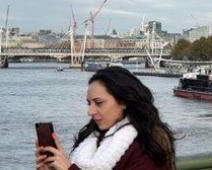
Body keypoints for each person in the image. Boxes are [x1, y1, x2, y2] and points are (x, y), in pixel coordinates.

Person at [35, 66, 175, 170]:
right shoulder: (91, 138)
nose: (90, 111)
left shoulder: (147, 146)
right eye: (89, 104)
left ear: (124, 101)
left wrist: (68, 169)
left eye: (99, 103)